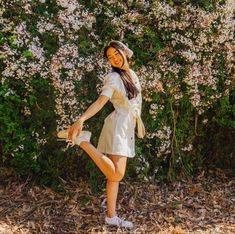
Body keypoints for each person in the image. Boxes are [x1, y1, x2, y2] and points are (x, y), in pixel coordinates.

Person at [57, 40, 145, 228]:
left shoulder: (131, 74)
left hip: (126, 126)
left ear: (123, 52)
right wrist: (81, 119)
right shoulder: (113, 77)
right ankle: (83, 142)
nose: (114, 59)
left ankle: (111, 217)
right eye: (110, 57)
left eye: (116, 54)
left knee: (113, 175)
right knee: (117, 174)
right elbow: (101, 101)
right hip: (118, 127)